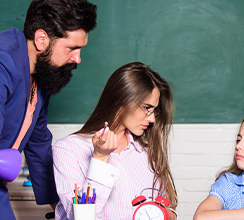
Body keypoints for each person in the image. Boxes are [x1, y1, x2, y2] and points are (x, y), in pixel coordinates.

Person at [0, 0, 97, 219]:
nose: (78, 59)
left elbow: (38, 144)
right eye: (72, 48)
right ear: (41, 39)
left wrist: (61, 209)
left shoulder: (40, 74)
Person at [53, 62, 178, 220]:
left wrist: (166, 214)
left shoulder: (147, 151)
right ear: (122, 100)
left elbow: (168, 208)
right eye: (147, 108)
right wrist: (100, 158)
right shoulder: (68, 149)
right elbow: (81, 218)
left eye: (155, 111)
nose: (152, 119)